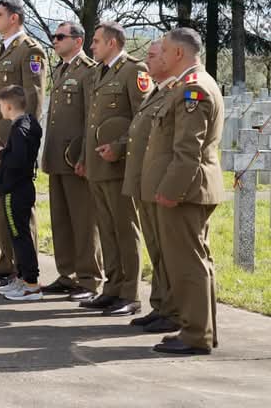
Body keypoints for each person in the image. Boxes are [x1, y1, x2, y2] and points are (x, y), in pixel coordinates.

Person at [143, 28, 224, 355]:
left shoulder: (194, 89)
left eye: (163, 50)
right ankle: (202, 330)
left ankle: (195, 335)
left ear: (178, 53)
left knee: (188, 263)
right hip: (191, 188)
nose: (159, 56)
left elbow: (188, 149)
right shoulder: (188, 85)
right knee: (196, 261)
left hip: (187, 191)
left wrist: (171, 190)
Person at [77, 21, 150, 316]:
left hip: (119, 165)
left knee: (125, 229)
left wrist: (119, 147)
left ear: (112, 43)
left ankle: (130, 294)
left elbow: (142, 117)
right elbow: (91, 121)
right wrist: (84, 157)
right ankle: (112, 288)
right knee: (107, 229)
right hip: (97, 163)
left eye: (96, 41)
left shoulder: (134, 71)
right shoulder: (98, 72)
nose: (91, 46)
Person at [0, 0, 46, 281]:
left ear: (14, 18)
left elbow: (33, 98)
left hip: (12, 145)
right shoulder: (4, 50)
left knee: (19, 211)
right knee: (2, 208)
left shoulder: (30, 51)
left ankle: (26, 271)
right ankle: (8, 263)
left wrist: (21, 142)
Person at [40, 22, 103, 302]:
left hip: (75, 157)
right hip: (57, 156)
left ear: (78, 41)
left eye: (60, 36)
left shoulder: (88, 71)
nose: (55, 40)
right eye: (54, 36)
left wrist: (85, 156)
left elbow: (91, 118)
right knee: (61, 220)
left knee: (83, 221)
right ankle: (67, 274)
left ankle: (88, 278)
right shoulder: (61, 70)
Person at [122, 39, 179, 333]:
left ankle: (172, 309)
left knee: (167, 250)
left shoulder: (174, 91)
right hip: (145, 180)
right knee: (155, 247)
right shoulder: (157, 90)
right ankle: (160, 305)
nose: (148, 60)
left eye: (154, 55)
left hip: (160, 182)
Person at [0, 85, 44, 301]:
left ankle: (31, 284)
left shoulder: (20, 129)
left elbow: (17, 160)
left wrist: (0, 153)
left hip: (16, 189)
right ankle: (22, 278)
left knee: (20, 237)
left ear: (9, 106)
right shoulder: (28, 123)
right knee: (17, 235)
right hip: (20, 187)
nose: (0, 109)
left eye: (1, 105)